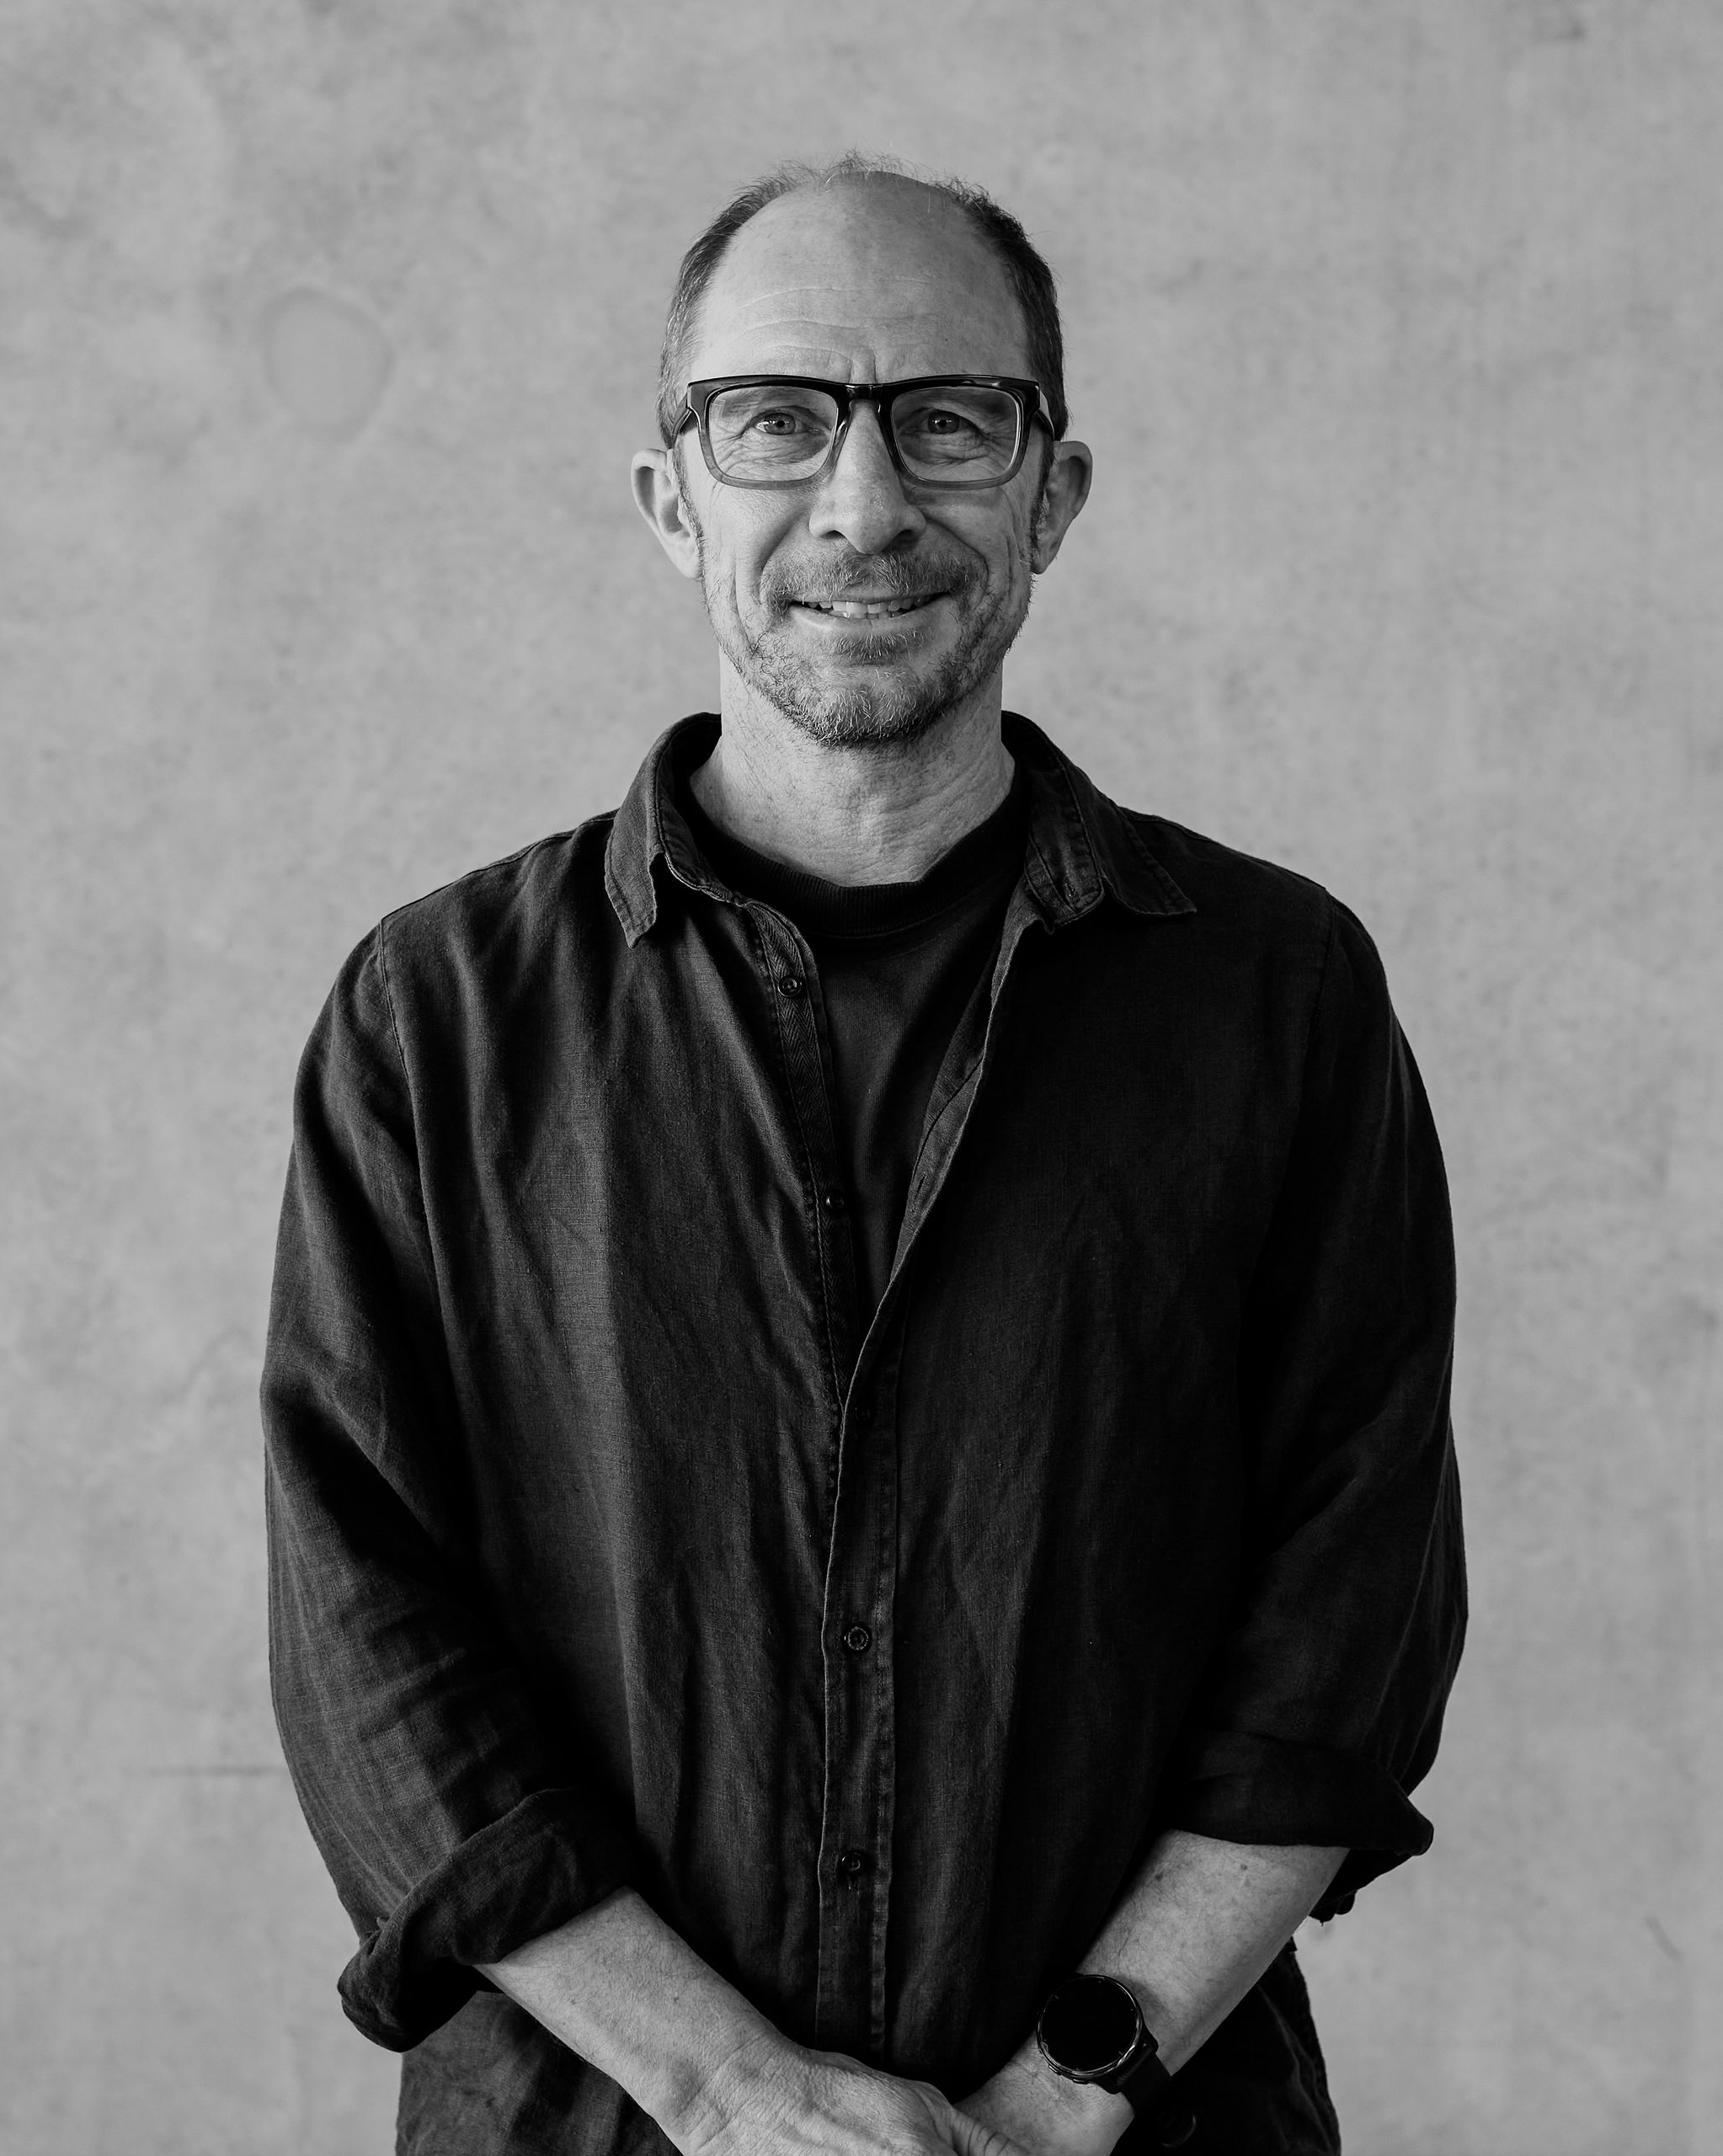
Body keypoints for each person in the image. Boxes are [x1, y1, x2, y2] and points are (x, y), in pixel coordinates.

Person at [264, 155, 1465, 2156]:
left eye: (947, 419)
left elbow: (1342, 1628)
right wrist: (732, 2093)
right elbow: (364, 1629)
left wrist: (1053, 2106)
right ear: (671, 498)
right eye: (775, 419)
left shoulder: (1278, 998)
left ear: (1051, 492)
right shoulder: (436, 1016)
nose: (862, 500)